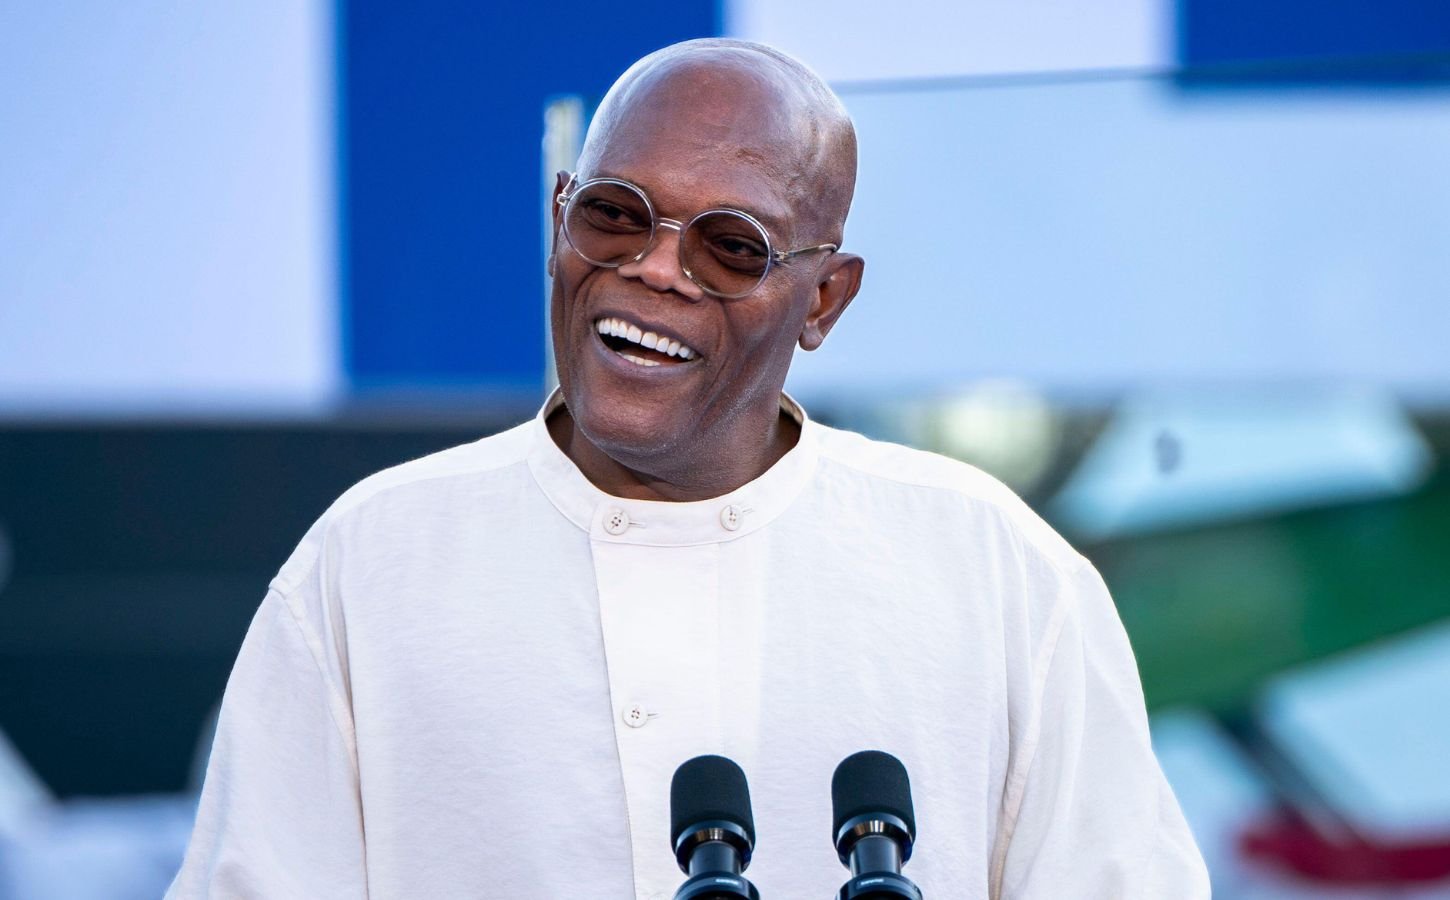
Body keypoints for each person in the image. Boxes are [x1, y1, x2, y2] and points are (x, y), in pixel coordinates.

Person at [168, 38, 1209, 899]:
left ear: (823, 301)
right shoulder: (373, 562)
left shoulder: (991, 571)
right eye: (615, 215)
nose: (654, 269)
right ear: (558, 221)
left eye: (730, 246)